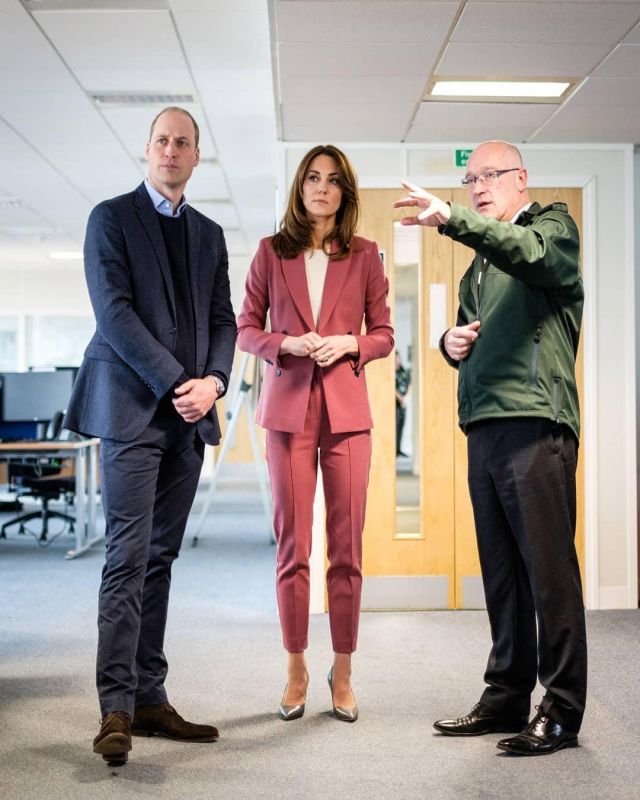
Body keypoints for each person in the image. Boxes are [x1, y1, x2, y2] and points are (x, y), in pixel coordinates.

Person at [395, 140, 586, 756]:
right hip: (485, 426)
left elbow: (528, 254)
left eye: (490, 175)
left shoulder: (552, 228)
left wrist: (452, 218)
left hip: (536, 424)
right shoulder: (478, 263)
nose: (477, 186)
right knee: (503, 575)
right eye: (469, 179)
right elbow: (467, 335)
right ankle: (507, 694)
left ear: (521, 179)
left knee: (549, 573)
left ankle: (561, 709)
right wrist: (447, 343)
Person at [65, 107, 237, 764]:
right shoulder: (110, 219)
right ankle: (115, 708)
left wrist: (214, 382)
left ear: (197, 157)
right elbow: (114, 314)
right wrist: (178, 382)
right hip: (133, 412)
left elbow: (224, 319)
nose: (172, 149)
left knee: (161, 558)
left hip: (190, 418)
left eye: (184, 142)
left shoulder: (210, 233)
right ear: (147, 151)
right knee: (127, 555)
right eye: (162, 140)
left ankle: (149, 695)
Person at [237, 144, 393, 723]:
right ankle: (297, 667)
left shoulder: (367, 255)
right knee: (293, 547)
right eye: (311, 178)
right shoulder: (270, 254)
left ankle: (343, 671)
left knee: (346, 547)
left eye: (331, 180)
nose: (321, 188)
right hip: (286, 412)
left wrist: (351, 343)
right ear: (299, 189)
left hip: (348, 415)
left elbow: (383, 333)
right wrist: (286, 344)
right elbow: (245, 328)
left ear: (344, 193)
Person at [395, 350, 411, 457]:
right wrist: (400, 398)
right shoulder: (391, 372)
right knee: (395, 428)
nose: (398, 360)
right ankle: (394, 450)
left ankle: (398, 449)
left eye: (399, 358)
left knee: (401, 427)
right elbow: (392, 387)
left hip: (402, 405)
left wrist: (405, 398)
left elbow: (409, 383)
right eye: (396, 358)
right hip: (395, 405)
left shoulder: (403, 371)